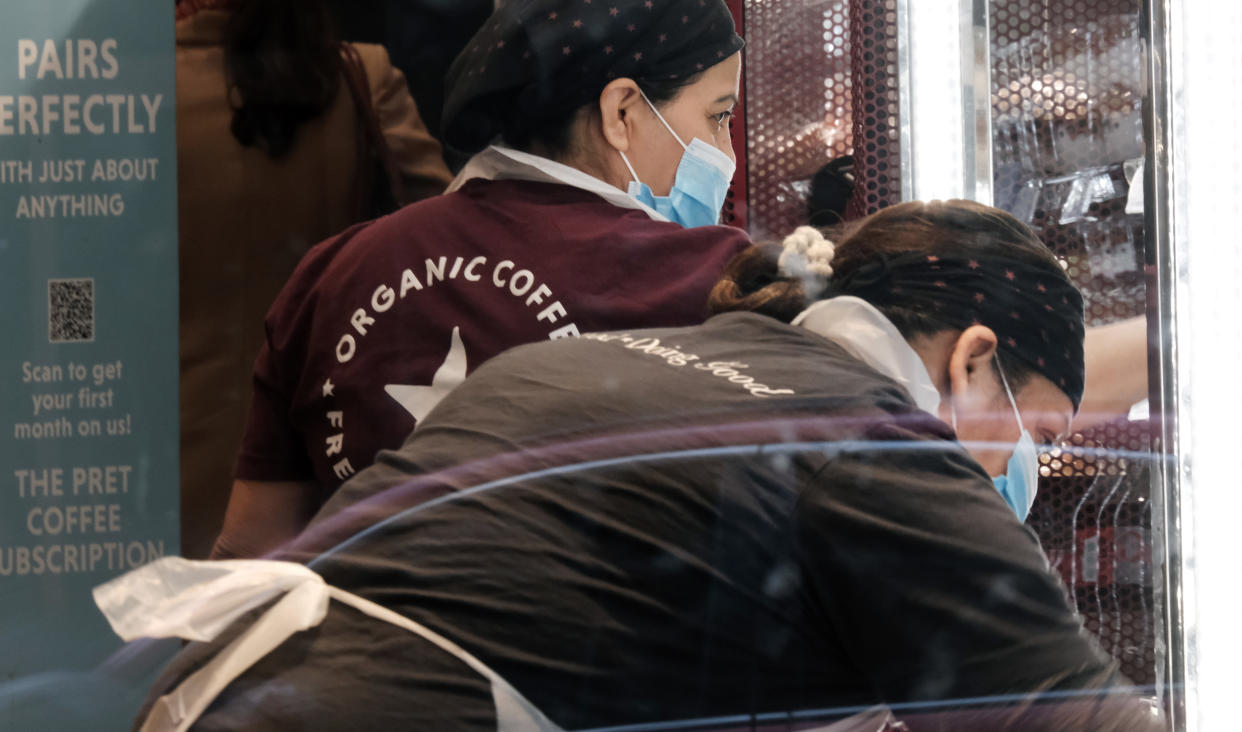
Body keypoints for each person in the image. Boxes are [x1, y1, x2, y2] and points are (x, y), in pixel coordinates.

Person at [109, 200, 1161, 730]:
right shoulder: (882, 446)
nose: (1028, 469)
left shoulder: (623, 359)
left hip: (217, 695)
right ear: (974, 359)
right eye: (1038, 431)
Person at [208, 0, 753, 560]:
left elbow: (249, 556)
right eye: (718, 116)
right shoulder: (717, 281)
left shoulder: (331, 275)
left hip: (366, 651)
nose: (728, 155)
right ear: (622, 112)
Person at [174, 0, 454, 559]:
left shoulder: (124, 92)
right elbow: (447, 231)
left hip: (158, 443)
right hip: (320, 449)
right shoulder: (359, 75)